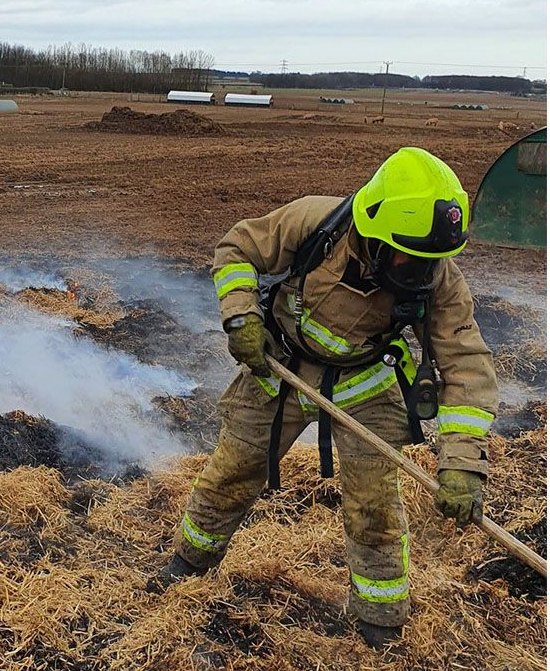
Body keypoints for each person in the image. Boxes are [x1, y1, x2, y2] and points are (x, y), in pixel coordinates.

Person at [147, 147, 498, 650]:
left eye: (431, 259)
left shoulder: (438, 276)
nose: (421, 271)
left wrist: (463, 462)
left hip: (366, 383)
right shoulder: (315, 223)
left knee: (374, 504)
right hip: (282, 368)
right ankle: (186, 566)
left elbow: (466, 364)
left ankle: (380, 621)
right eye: (410, 256)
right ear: (374, 233)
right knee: (232, 470)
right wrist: (242, 317)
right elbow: (236, 249)